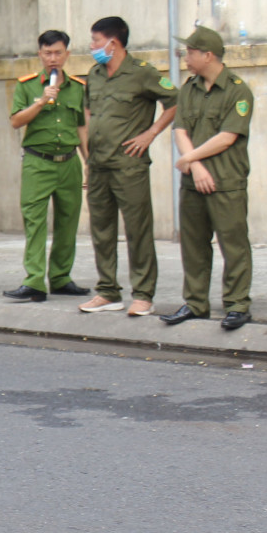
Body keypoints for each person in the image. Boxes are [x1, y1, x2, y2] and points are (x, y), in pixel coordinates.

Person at [80, 16, 177, 316]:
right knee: (102, 230)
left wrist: (150, 134)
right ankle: (107, 291)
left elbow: (175, 100)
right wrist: (87, 155)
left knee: (138, 230)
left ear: (113, 42)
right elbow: (86, 112)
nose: (92, 46)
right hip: (98, 166)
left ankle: (143, 294)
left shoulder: (142, 73)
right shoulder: (95, 74)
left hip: (128, 166)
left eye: (96, 41)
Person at [161, 25, 256, 330]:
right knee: (194, 245)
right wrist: (195, 166)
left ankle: (237, 305)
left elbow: (228, 136)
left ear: (208, 55)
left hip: (226, 181)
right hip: (194, 180)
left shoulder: (237, 90)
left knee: (233, 244)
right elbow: (180, 130)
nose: (185, 58)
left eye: (190, 53)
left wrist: (189, 158)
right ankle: (196, 303)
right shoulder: (189, 88)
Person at [4, 31, 90, 303]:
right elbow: (17, 121)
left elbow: (81, 126)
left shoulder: (77, 87)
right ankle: (34, 282)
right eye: (48, 53)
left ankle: (61, 277)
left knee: (68, 221)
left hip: (68, 162)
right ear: (40, 54)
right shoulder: (27, 85)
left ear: (67, 54)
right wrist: (41, 100)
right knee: (35, 221)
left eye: (58, 53)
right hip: (37, 162)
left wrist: (89, 162)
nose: (53, 58)